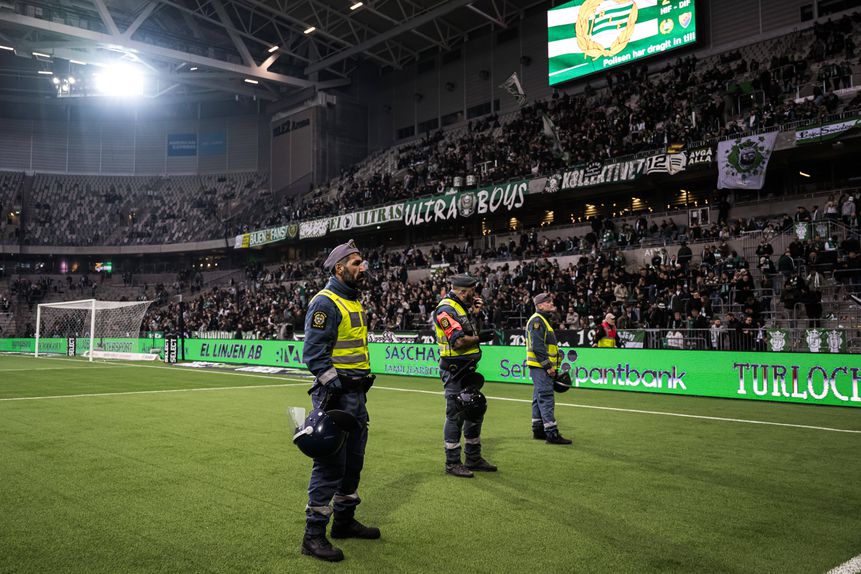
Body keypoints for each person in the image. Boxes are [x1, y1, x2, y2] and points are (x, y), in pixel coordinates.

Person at [300, 239, 379, 562]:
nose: (363, 268)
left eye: (362, 262)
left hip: (356, 396)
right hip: (337, 396)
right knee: (330, 465)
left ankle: (343, 522)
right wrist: (337, 387)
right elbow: (314, 355)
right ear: (339, 268)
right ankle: (313, 536)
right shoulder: (326, 303)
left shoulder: (353, 300)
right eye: (357, 263)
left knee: (353, 463)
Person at [433, 273, 496, 478]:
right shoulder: (445, 309)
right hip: (454, 370)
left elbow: (468, 332)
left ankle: (473, 458)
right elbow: (458, 342)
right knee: (456, 414)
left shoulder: (461, 308)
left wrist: (476, 314)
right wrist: (480, 338)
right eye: (472, 291)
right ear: (462, 290)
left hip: (467, 369)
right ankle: (452, 462)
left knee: (474, 410)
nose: (474, 294)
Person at [526, 293, 572, 445]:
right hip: (541, 367)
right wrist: (548, 367)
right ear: (539, 305)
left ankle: (538, 430)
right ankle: (552, 434)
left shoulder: (541, 320)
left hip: (539, 366)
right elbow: (538, 347)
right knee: (546, 397)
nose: (551, 303)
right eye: (548, 302)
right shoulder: (538, 321)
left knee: (538, 397)